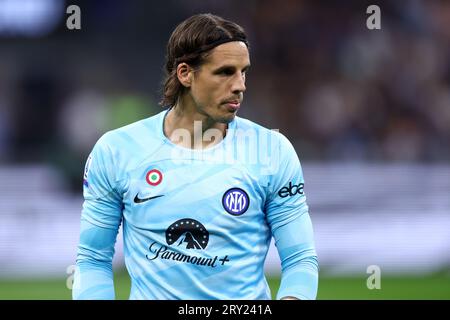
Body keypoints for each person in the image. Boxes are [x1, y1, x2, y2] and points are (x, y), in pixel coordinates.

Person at [73, 13, 318, 300]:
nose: (240, 85)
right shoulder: (116, 150)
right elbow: (93, 259)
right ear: (185, 73)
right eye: (226, 72)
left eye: (244, 71)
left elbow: (300, 260)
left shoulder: (272, 151)